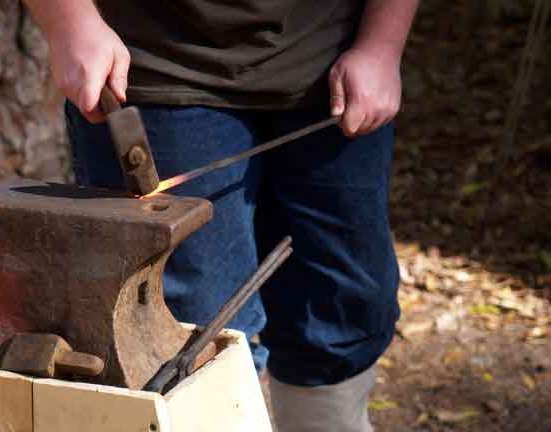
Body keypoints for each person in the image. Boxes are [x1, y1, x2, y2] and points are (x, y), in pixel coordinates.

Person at [24, 1, 419, 431]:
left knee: (338, 308)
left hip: (334, 65)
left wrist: (382, 43)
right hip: (154, 66)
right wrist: (71, 22)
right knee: (183, 337)